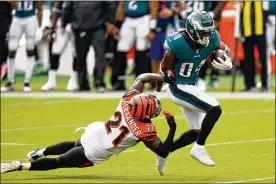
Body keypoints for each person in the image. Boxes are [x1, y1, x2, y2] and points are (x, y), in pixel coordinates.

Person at [1, 73, 177, 174]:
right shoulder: (143, 130)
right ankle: (20, 166)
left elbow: (142, 77)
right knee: (58, 162)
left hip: (96, 131)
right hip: (97, 150)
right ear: (145, 113)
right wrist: (172, 128)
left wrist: (160, 76)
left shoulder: (128, 100)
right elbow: (163, 150)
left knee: (73, 144)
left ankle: (39, 152)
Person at [155, 11, 232, 175]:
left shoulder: (211, 38)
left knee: (196, 131)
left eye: (209, 31)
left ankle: (164, 151)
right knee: (214, 108)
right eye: (203, 32)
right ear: (192, 30)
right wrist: (157, 90)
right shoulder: (177, 43)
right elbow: (163, 68)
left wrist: (227, 60)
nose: (207, 35)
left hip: (191, 86)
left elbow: (225, 49)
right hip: (178, 87)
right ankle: (199, 148)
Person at [62, 1, 115, 92]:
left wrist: (110, 22)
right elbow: (67, 10)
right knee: (80, 57)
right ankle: (82, 84)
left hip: (98, 28)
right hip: (80, 28)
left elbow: (110, 7)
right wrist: (65, 24)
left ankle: (99, 82)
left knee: (100, 56)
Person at [111, 1, 159, 90]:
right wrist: (117, 25)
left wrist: (152, 28)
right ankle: (119, 80)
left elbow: (154, 8)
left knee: (142, 50)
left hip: (143, 19)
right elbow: (122, 7)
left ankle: (140, 81)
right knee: (121, 49)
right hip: (128, 19)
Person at [1, 1, 43, 92]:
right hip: (17, 17)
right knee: (12, 49)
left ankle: (27, 81)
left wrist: (40, 26)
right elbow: (12, 6)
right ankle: (10, 81)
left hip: (30, 18)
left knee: (30, 48)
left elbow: (39, 7)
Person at [41, 1, 78, 91]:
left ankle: (73, 80)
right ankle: (51, 80)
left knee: (75, 53)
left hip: (76, 22)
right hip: (62, 23)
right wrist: (52, 27)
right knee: (56, 51)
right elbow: (56, 8)